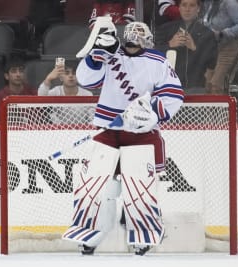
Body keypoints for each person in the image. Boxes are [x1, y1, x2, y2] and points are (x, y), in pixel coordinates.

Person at [62, 21, 184, 255]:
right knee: (97, 185)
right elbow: (86, 80)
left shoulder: (158, 61)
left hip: (141, 134)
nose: (134, 38)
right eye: (131, 33)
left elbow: (174, 94)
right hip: (108, 131)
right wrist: (95, 55)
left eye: (140, 34)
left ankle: (143, 234)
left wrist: (152, 111)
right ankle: (90, 234)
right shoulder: (111, 54)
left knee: (139, 187)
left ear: (148, 38)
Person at [155, 0, 217, 93]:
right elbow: (153, 55)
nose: (187, 9)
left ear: (198, 9)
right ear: (179, 8)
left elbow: (212, 64)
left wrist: (194, 48)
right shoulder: (165, 29)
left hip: (196, 88)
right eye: (184, 5)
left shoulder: (207, 34)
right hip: (169, 87)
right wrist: (169, 45)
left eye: (192, 5)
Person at [201, 0, 238, 94]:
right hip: (214, 47)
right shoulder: (209, 4)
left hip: (230, 46)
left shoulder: (230, 3)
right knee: (207, 84)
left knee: (217, 84)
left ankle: (224, 108)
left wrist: (223, 33)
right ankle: (211, 108)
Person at [0, 58, 37, 124]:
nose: (18, 75)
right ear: (6, 76)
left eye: (21, 71)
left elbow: (38, 118)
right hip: (7, 133)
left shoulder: (33, 93)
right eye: (14, 71)